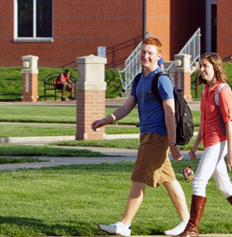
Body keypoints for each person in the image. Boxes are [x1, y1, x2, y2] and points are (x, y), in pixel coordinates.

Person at [92, 37, 190, 237]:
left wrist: (172, 143)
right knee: (169, 180)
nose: (145, 56)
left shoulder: (161, 79)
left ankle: (124, 225)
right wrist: (106, 120)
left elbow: (170, 113)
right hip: (146, 135)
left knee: (138, 178)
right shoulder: (139, 79)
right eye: (143, 52)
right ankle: (187, 222)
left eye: (150, 53)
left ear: (158, 56)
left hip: (158, 136)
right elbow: (127, 106)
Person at [176, 53, 232, 237]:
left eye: (206, 66)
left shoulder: (223, 91)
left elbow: (229, 121)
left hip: (219, 142)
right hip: (209, 142)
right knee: (224, 185)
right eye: (201, 66)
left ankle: (192, 229)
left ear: (216, 68)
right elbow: (204, 122)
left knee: (198, 181)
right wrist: (195, 146)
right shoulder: (207, 91)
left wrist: (230, 151)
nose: (202, 69)